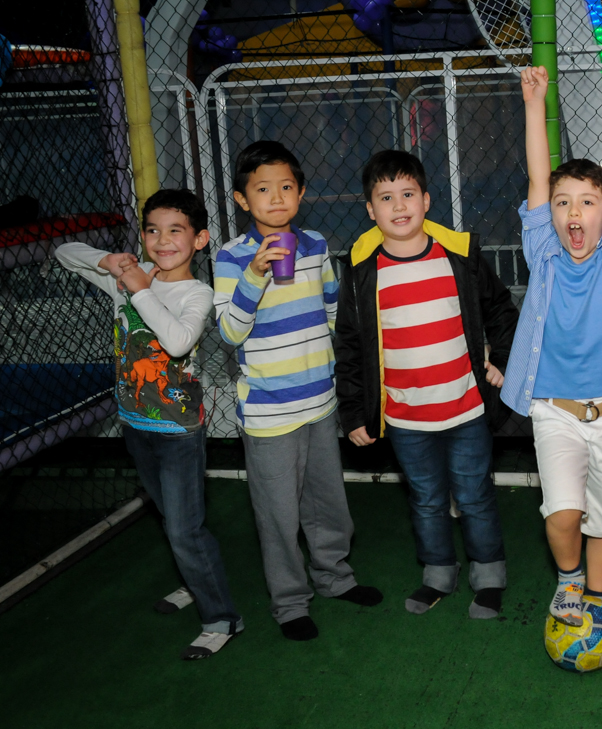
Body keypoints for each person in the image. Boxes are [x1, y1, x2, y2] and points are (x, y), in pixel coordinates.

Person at [56, 189, 243, 659]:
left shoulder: (198, 293)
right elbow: (63, 252)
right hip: (135, 424)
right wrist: (114, 264)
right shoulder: (128, 276)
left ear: (199, 240)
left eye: (175, 230)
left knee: (185, 528)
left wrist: (139, 286)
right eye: (152, 230)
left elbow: (178, 342)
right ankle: (194, 582)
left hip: (179, 432)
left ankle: (222, 616)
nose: (162, 240)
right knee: (173, 518)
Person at [501, 66, 602, 627]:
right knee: (563, 515)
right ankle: (568, 580)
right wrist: (535, 104)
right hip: (554, 412)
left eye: (587, 203)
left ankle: (596, 595)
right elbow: (539, 182)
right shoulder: (543, 252)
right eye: (565, 204)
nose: (574, 213)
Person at [334, 149, 519, 619]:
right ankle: (438, 571)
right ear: (370, 210)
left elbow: (500, 310)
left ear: (427, 199)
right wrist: (354, 411)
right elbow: (351, 346)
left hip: (466, 409)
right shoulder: (361, 274)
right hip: (405, 418)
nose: (400, 207)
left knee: (475, 494)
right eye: (387, 197)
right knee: (427, 499)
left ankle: (489, 571)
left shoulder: (458, 257)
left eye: (408, 194)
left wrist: (501, 360)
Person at [213, 140, 382, 641]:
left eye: (287, 186)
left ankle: (335, 577)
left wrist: (347, 368)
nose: (276, 197)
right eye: (262, 189)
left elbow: (333, 311)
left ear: (302, 192)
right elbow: (229, 331)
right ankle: (289, 604)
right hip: (268, 412)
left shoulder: (313, 244)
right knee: (278, 514)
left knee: (328, 503)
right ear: (243, 200)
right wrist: (256, 274)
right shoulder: (232, 256)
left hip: (320, 402)